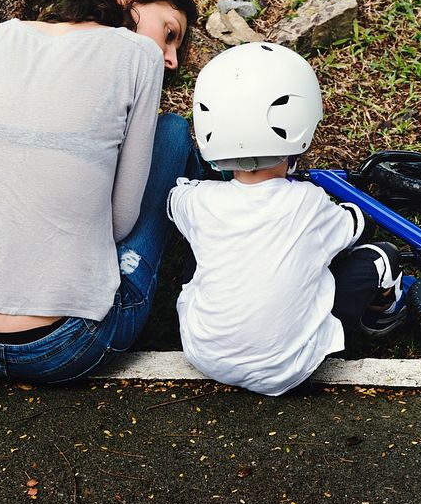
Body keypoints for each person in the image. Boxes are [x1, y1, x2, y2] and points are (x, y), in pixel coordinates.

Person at [0, 0, 198, 382]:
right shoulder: (139, 55)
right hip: (67, 343)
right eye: (170, 32)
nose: (171, 58)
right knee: (173, 131)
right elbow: (119, 225)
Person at [167, 42, 407, 396]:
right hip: (287, 368)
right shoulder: (307, 201)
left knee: (198, 243)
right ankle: (380, 316)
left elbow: (175, 201)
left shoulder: (199, 201)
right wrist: (354, 212)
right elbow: (353, 226)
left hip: (205, 355)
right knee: (383, 256)